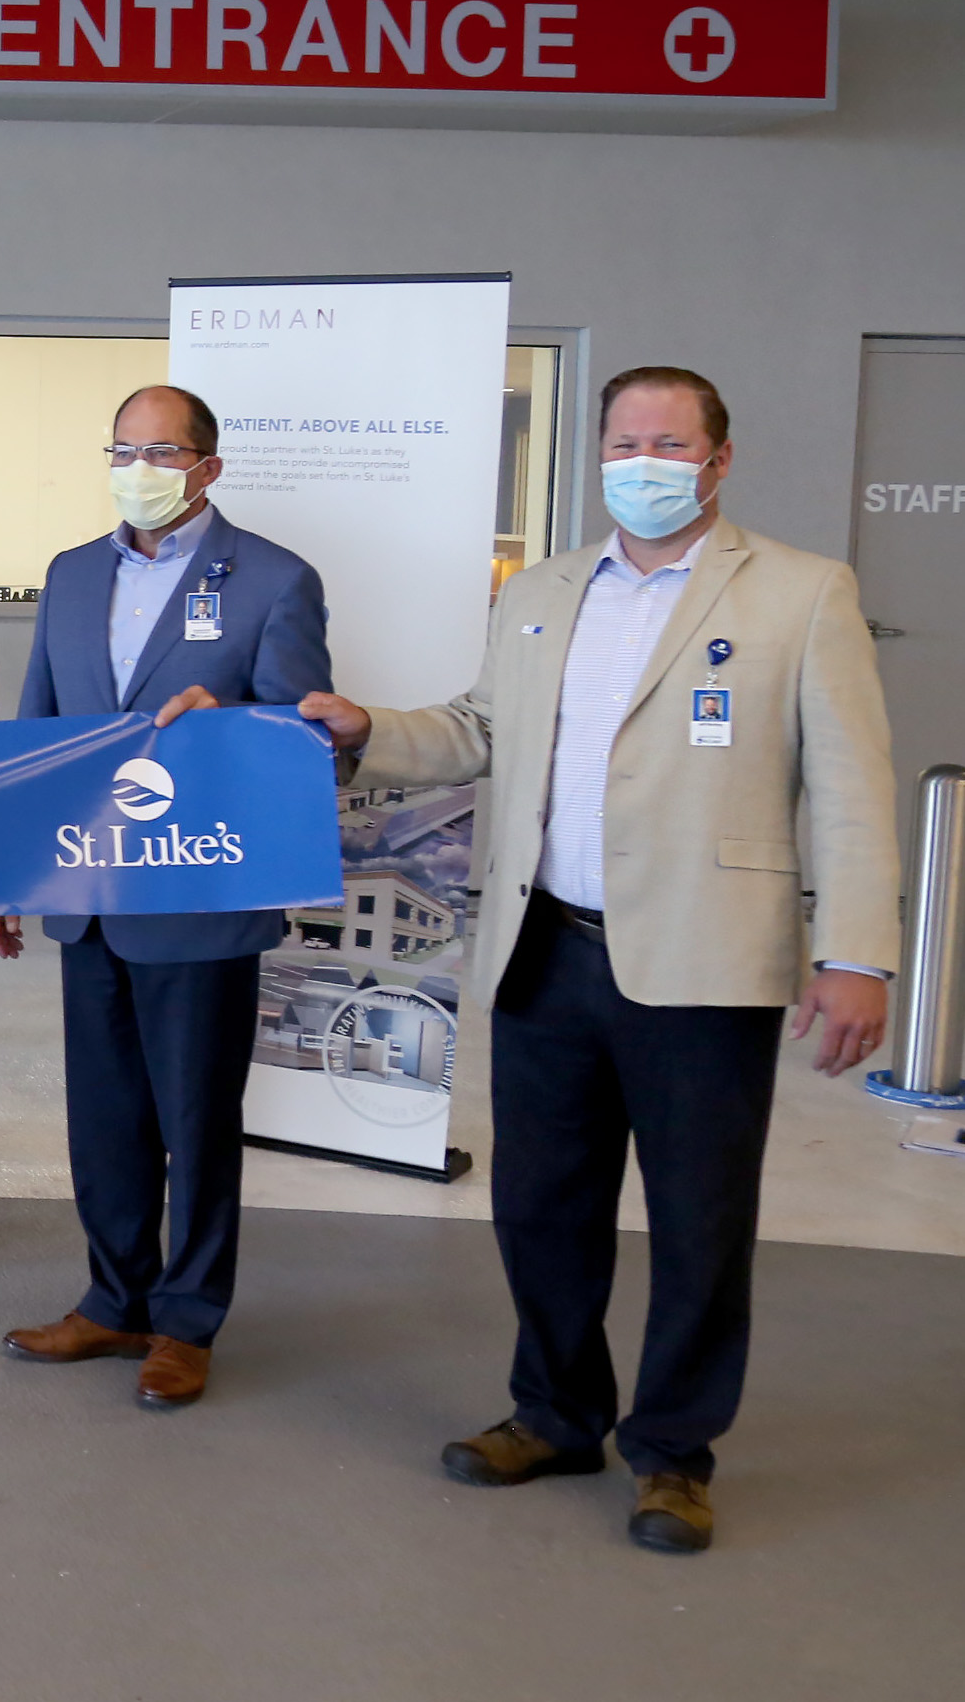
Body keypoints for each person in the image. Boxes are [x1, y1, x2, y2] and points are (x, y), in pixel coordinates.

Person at [295, 366, 896, 1554]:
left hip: (704, 963)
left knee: (699, 1220)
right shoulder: (545, 589)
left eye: (670, 442)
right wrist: (369, 727)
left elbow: (853, 785)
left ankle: (673, 1452)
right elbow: (478, 728)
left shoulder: (801, 593)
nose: (645, 460)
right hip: (547, 950)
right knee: (540, 1206)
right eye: (626, 440)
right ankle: (559, 1411)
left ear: (718, 461)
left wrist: (862, 952)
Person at [0, 384, 330, 1410]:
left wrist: (226, 718)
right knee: (104, 1117)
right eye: (123, 447)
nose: (139, 466)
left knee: (196, 1116)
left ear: (207, 468)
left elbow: (305, 740)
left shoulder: (274, 579)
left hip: (198, 895)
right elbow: (37, 732)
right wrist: (12, 865)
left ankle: (188, 1319)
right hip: (87, 893)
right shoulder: (69, 573)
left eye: (162, 449)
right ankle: (113, 1298)